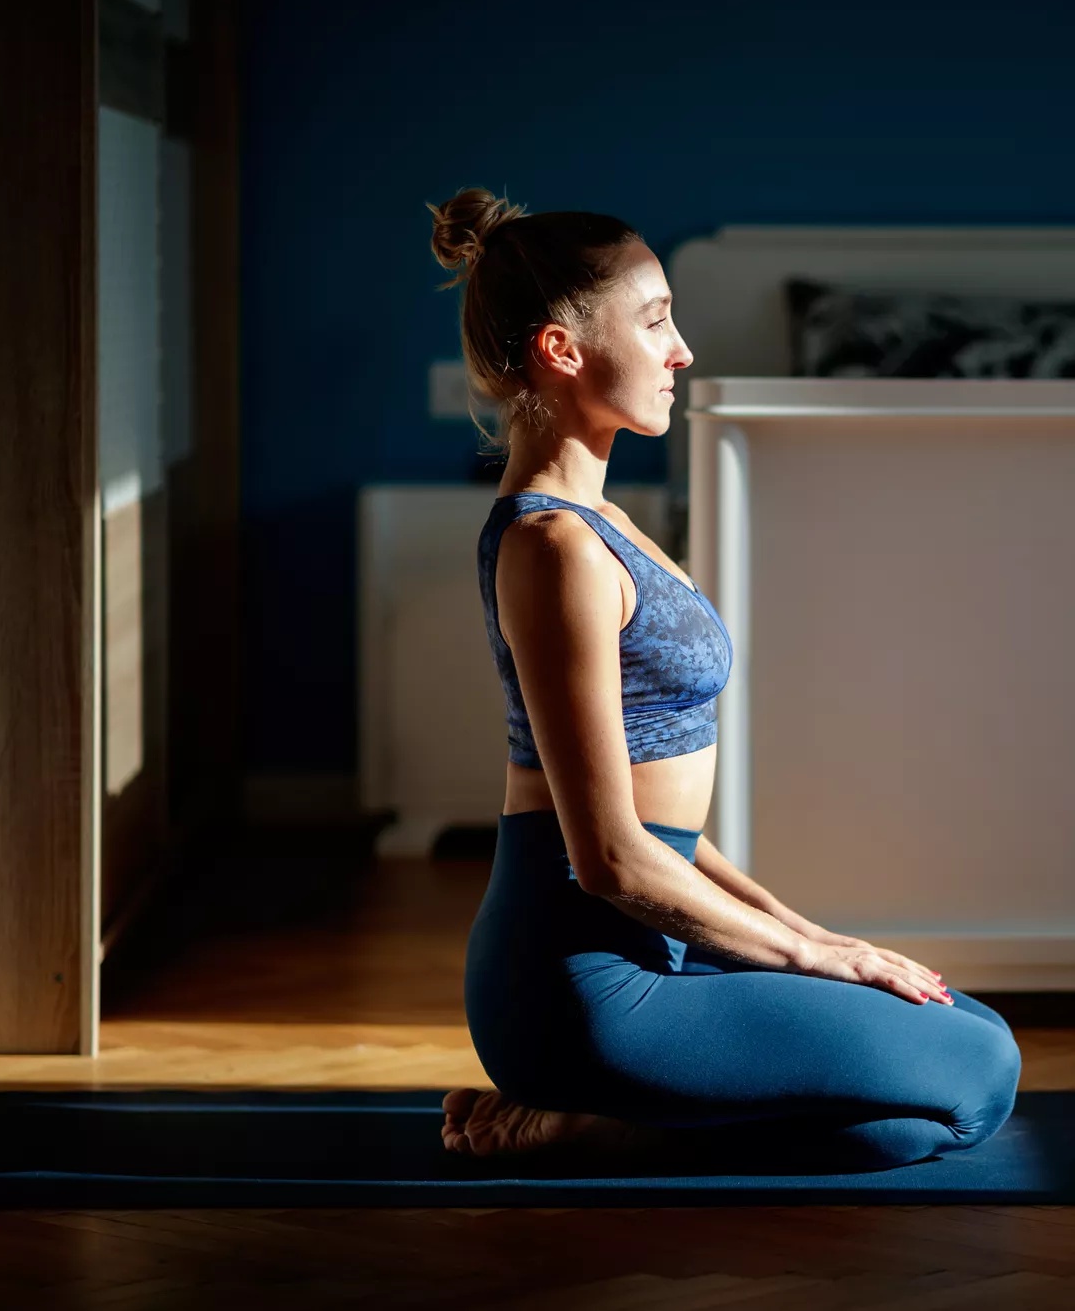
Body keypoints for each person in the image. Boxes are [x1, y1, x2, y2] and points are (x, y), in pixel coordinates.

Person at [425, 188, 1022, 1173]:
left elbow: (670, 838)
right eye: (655, 320)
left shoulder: (606, 526)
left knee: (933, 1084)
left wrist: (815, 932)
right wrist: (825, 962)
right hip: (587, 980)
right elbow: (611, 859)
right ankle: (586, 1109)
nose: (682, 350)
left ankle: (605, 1121)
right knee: (980, 1067)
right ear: (559, 350)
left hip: (654, 936)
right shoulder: (550, 546)